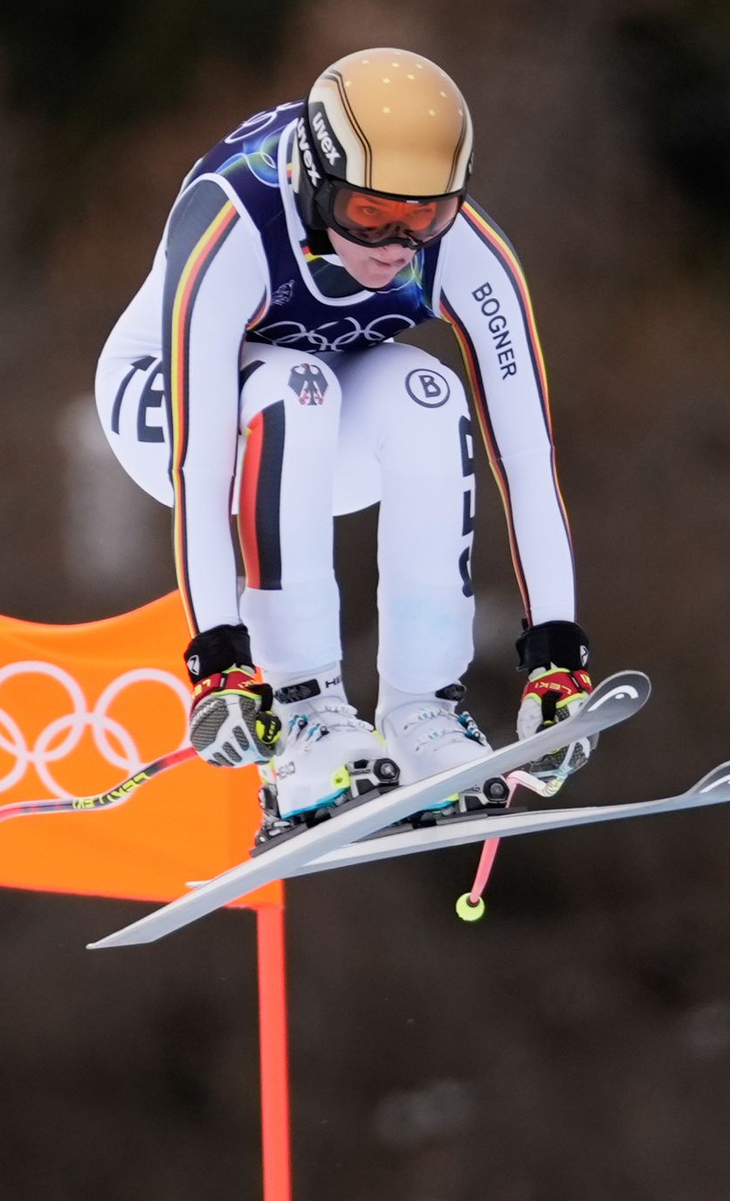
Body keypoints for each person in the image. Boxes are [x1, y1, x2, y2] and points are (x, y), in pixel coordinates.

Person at [95, 47, 594, 845]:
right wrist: (219, 663)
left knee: (428, 392)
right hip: (165, 406)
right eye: (370, 214)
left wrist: (557, 653)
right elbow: (199, 466)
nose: (398, 244)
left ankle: (424, 712)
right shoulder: (235, 220)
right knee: (298, 386)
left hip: (318, 434)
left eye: (425, 216)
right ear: (315, 182)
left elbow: (526, 457)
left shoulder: (467, 249)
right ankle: (303, 718)